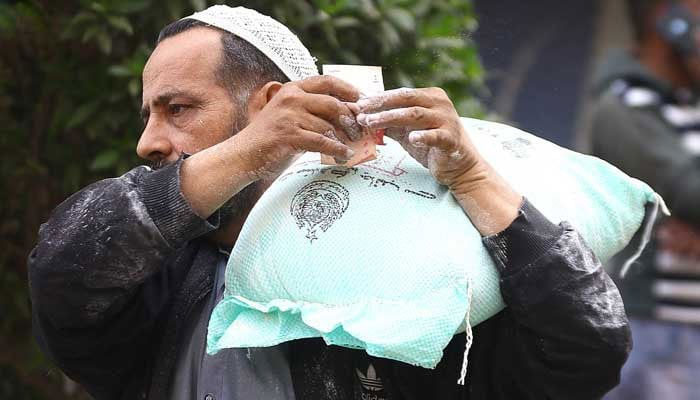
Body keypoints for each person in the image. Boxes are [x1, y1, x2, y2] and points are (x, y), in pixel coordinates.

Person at [29, 5, 630, 400]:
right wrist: (248, 151)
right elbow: (64, 274)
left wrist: (473, 179)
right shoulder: (159, 277)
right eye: (149, 114)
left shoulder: (408, 278)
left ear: (267, 104)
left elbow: (586, 350)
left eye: (177, 108)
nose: (147, 141)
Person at [589, 0, 700, 399]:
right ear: (667, 21)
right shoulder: (627, 106)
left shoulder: (689, 106)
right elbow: (690, 193)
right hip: (659, 326)